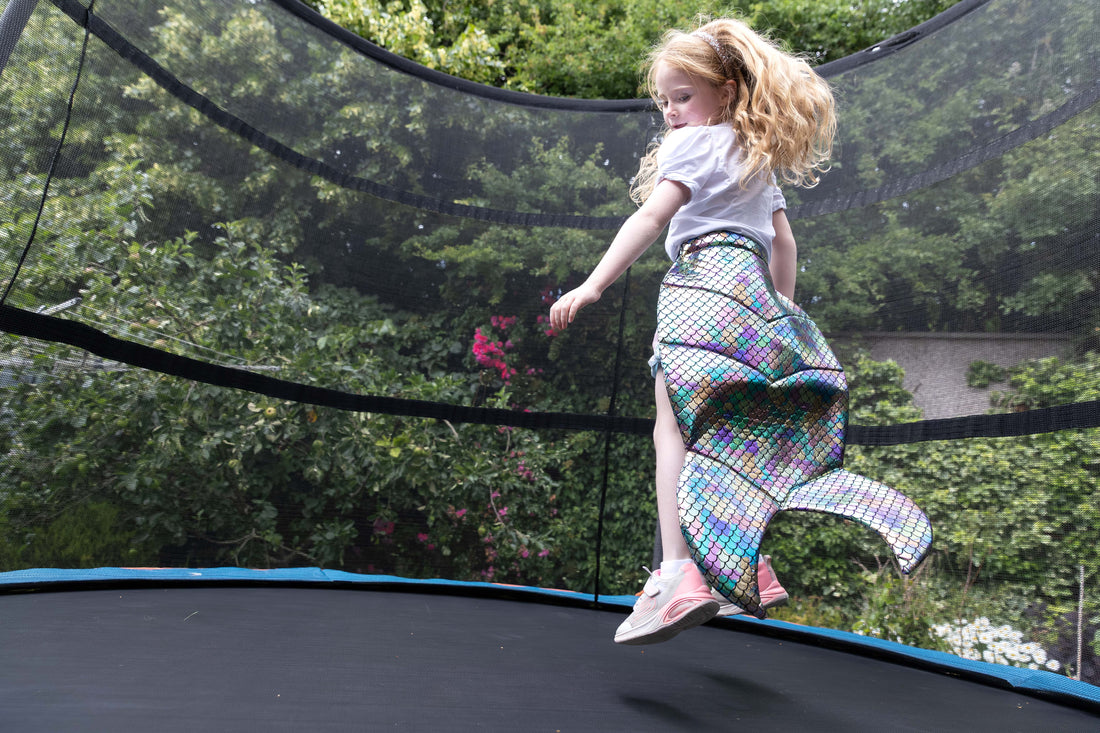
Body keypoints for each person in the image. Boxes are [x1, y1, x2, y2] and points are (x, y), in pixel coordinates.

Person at [548, 16, 836, 645]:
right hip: (755, 301)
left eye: (683, 97)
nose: (672, 113)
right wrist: (780, 316)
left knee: (672, 427)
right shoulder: (758, 160)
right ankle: (746, 566)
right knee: (728, 433)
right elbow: (783, 243)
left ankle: (679, 572)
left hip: (701, 288)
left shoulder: (692, 147)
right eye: (666, 102)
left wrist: (593, 284)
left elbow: (652, 217)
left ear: (726, 91)